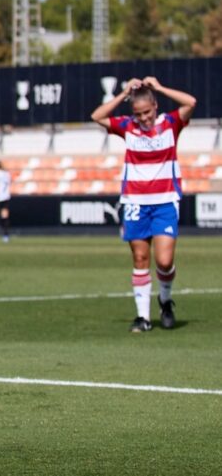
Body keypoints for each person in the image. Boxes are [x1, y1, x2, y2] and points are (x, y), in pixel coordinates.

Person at [91, 77, 196, 333]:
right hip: (136, 201)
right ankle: (143, 318)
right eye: (139, 114)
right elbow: (97, 115)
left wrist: (158, 87)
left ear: (156, 106)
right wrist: (124, 92)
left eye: (147, 112)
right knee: (140, 257)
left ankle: (165, 298)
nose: (144, 118)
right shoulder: (128, 127)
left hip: (165, 201)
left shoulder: (170, 124)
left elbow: (191, 102)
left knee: (163, 260)